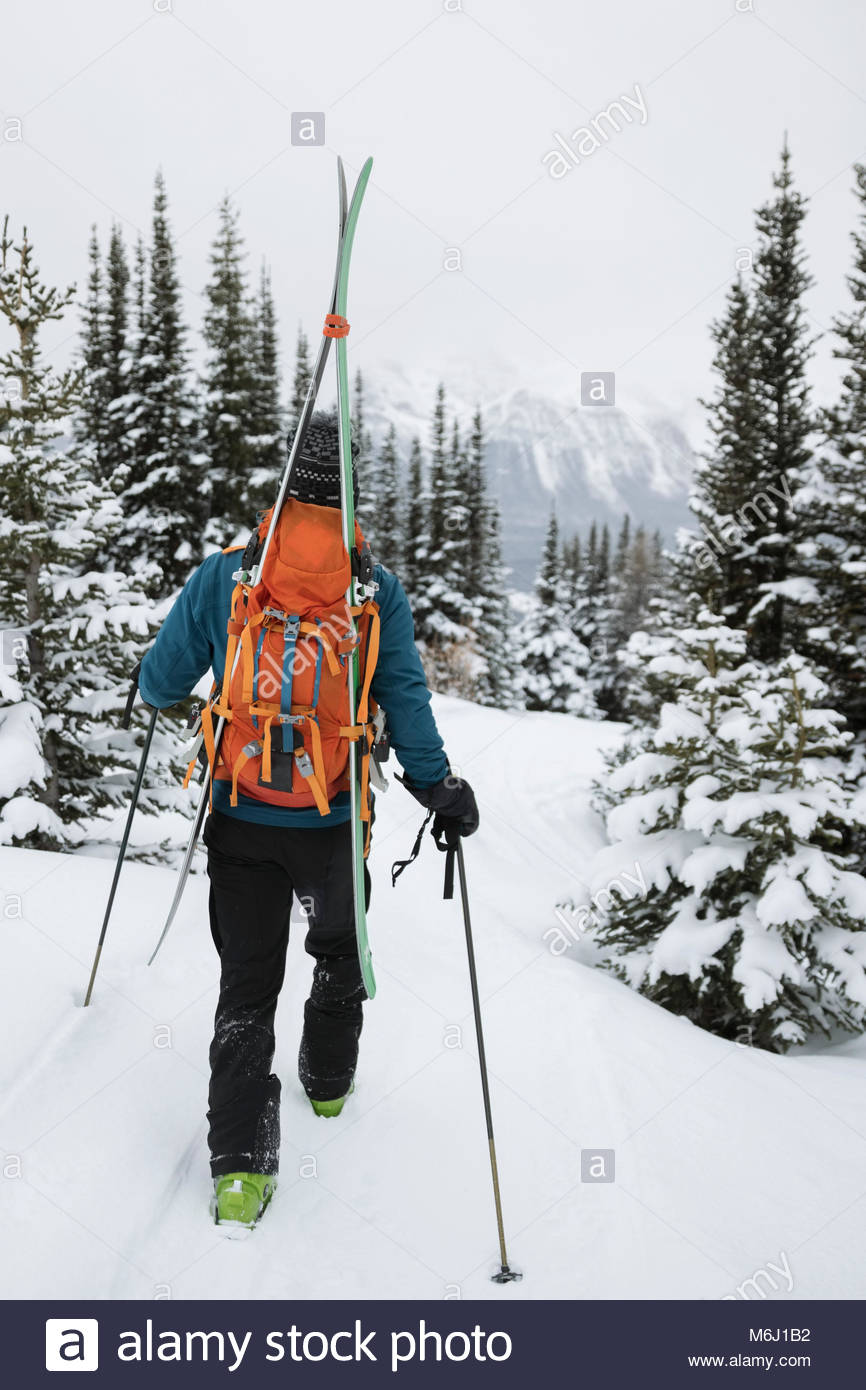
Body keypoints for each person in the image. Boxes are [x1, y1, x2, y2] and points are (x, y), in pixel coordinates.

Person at [138, 409, 479, 1232]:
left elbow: (162, 680)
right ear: (352, 488)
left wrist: (153, 689)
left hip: (241, 817)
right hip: (330, 822)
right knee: (337, 950)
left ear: (285, 478)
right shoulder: (373, 591)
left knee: (246, 988)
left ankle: (240, 1175)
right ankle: (327, 1087)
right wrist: (441, 790)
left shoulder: (229, 577)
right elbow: (405, 701)